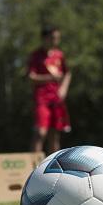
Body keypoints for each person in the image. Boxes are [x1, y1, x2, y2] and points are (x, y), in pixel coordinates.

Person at [28, 24, 72, 155]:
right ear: (44, 38)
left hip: (56, 100)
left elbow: (68, 73)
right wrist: (50, 78)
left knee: (54, 134)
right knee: (41, 132)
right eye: (53, 38)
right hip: (42, 99)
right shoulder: (35, 56)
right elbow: (31, 77)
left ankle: (54, 170)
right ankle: (33, 167)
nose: (56, 41)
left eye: (57, 38)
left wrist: (63, 88)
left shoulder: (59, 55)